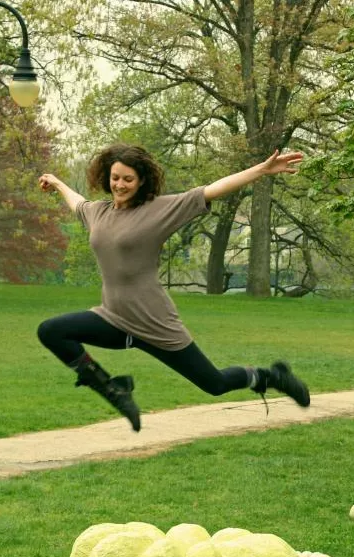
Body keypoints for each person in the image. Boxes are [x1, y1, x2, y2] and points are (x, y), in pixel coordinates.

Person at [37, 143, 310, 432]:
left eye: (128, 179)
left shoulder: (159, 210)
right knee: (51, 331)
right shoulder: (98, 212)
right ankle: (115, 390)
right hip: (113, 319)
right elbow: (77, 202)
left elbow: (212, 189)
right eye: (115, 178)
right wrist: (56, 183)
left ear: (142, 181)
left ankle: (270, 376)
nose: (120, 184)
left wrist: (262, 170)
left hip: (154, 322)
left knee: (214, 383)